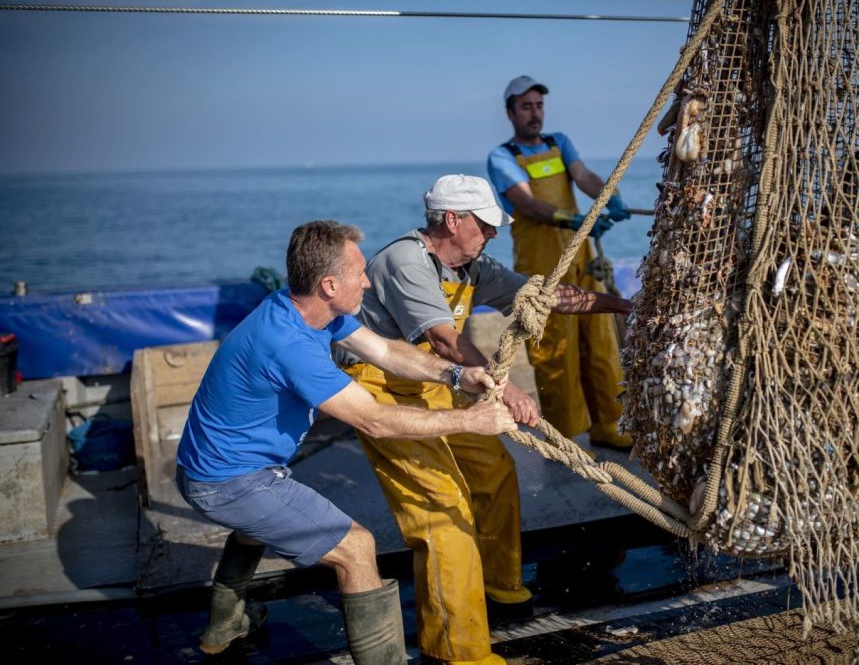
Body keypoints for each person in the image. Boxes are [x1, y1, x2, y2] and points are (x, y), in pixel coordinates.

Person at [175, 220, 517, 663]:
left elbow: (385, 351)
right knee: (356, 549)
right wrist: (470, 421)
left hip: (216, 470)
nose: (368, 281)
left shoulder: (303, 309)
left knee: (256, 525)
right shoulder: (290, 345)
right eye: (359, 273)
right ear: (330, 284)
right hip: (229, 482)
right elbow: (374, 420)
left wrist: (456, 375)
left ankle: (224, 623)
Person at [339, 175, 632, 665]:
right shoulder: (405, 262)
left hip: (437, 381)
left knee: (495, 471)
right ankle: (457, 651)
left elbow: (544, 296)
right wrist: (508, 390)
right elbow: (445, 340)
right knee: (441, 510)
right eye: (486, 224)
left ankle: (500, 587)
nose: (494, 233)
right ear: (452, 221)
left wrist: (622, 305)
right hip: (380, 388)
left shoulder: (473, 265)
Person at [487, 75, 634, 451]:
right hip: (541, 268)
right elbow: (527, 204)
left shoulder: (559, 143)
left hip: (580, 258)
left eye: (538, 106)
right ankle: (563, 435)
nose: (534, 114)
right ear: (510, 113)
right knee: (554, 351)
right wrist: (576, 219)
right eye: (526, 107)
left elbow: (582, 176)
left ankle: (609, 423)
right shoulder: (502, 157)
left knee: (600, 343)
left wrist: (609, 196)